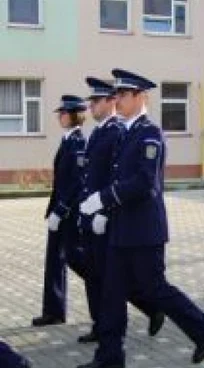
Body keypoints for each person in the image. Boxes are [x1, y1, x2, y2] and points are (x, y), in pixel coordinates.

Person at [77, 69, 204, 367]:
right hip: (120, 227)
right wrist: (102, 210)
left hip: (143, 230)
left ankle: (203, 328)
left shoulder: (150, 134)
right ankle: (110, 357)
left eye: (124, 95)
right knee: (112, 294)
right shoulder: (124, 133)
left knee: (155, 288)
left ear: (141, 97)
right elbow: (114, 176)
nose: (118, 101)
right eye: (116, 96)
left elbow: (144, 182)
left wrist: (103, 198)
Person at [78, 77, 164, 344]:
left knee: (126, 282)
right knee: (104, 278)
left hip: (125, 218)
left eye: (121, 96)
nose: (92, 106)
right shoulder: (110, 131)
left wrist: (104, 207)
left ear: (140, 97)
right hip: (105, 212)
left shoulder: (128, 131)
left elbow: (137, 181)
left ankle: (153, 312)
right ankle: (106, 337)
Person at [31, 95, 89, 328]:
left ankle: (106, 286)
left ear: (74, 115)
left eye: (63, 113)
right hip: (59, 210)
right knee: (54, 261)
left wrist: (62, 210)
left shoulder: (78, 144)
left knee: (77, 260)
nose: (59, 116)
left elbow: (77, 182)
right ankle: (54, 311)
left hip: (70, 213)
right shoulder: (67, 141)